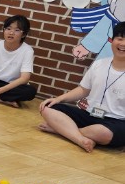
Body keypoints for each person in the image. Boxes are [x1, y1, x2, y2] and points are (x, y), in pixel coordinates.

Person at [38, 21, 125, 152]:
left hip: (115, 122)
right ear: (112, 40)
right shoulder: (99, 64)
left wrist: (58, 128)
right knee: (47, 108)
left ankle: (63, 130)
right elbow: (83, 89)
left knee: (104, 133)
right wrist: (58, 99)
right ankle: (80, 138)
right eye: (120, 38)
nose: (122, 44)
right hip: (89, 115)